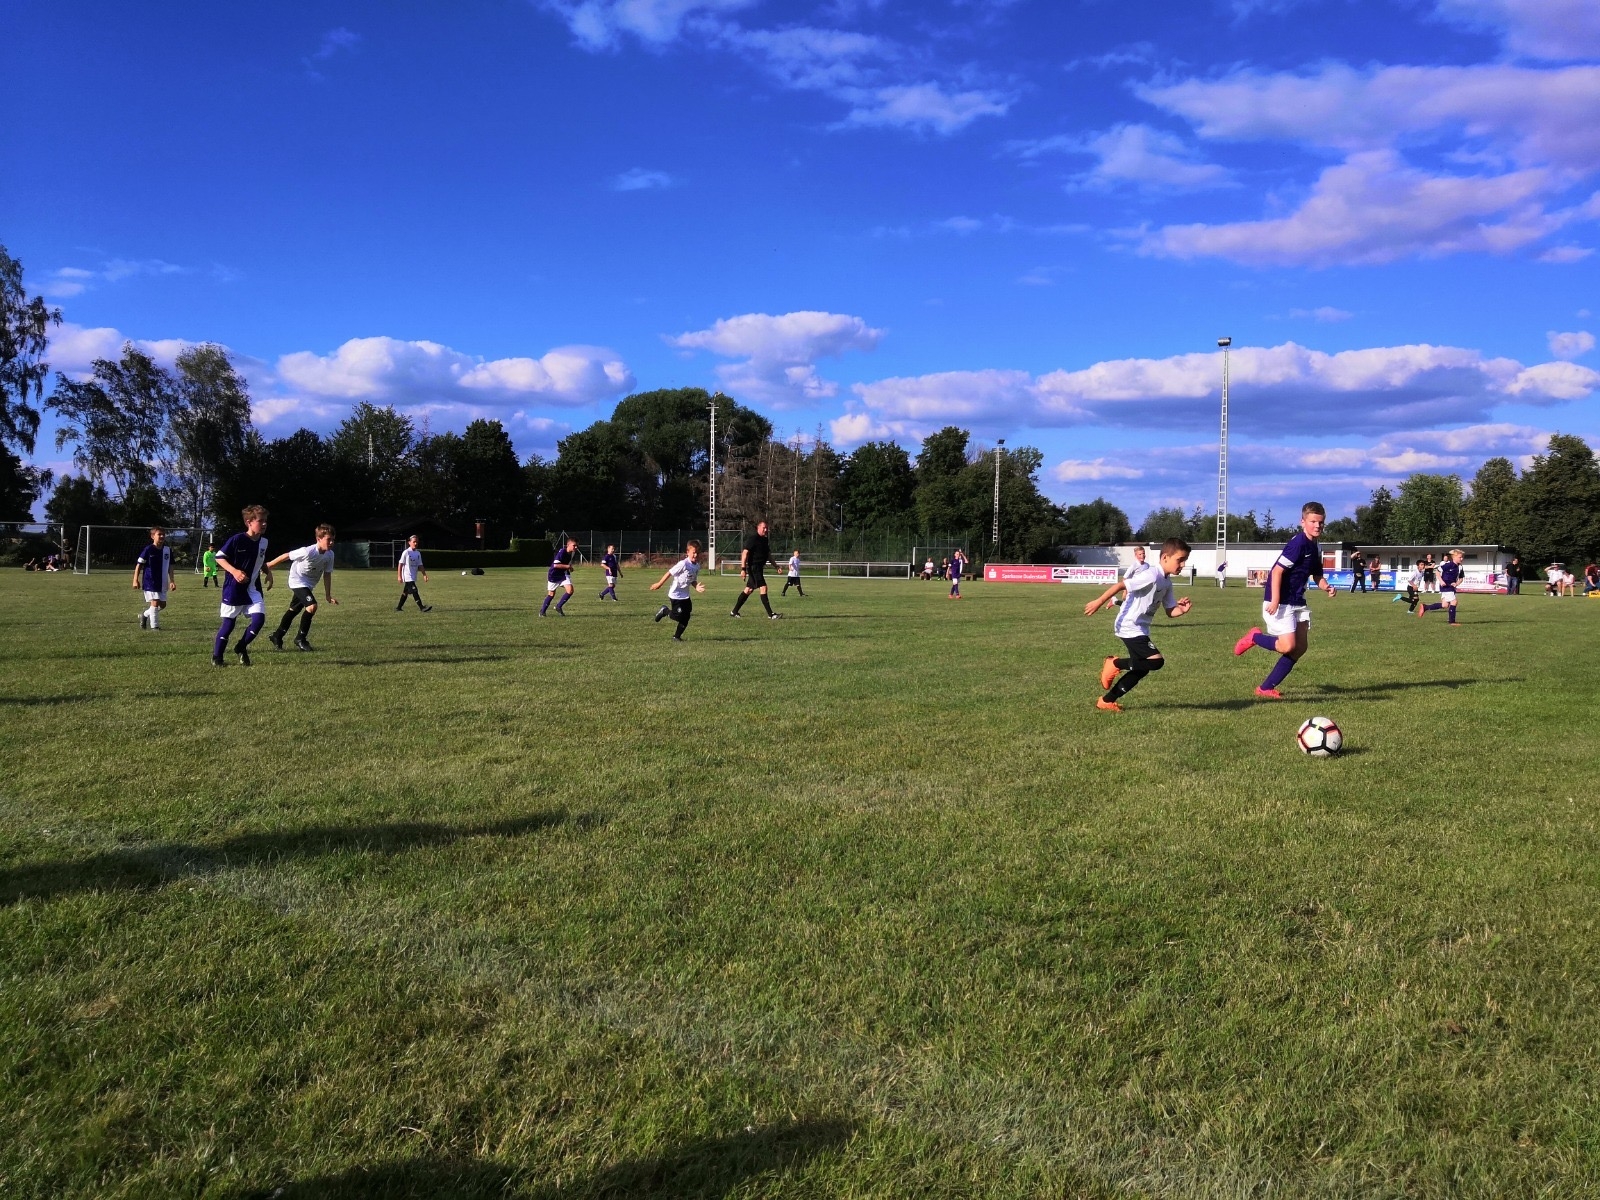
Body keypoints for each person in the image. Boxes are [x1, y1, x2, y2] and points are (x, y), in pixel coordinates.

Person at [1231, 502, 1336, 699]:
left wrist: (1326, 586)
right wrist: (1275, 600)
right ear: (1303, 522)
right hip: (1281, 601)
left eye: (1321, 522)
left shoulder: (1316, 546)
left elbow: (1317, 575)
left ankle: (1265, 688)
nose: (1317, 526)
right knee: (1287, 646)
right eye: (1313, 521)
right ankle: (1254, 637)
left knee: (1300, 647)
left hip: (1298, 600)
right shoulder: (1298, 544)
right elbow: (1277, 571)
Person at [1084, 537, 1193, 711]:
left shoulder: (1166, 582)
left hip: (1140, 628)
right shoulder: (1151, 575)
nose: (1183, 564)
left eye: (1184, 560)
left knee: (1141, 668)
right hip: (1129, 625)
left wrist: (1181, 610)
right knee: (1156, 662)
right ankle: (1114, 663)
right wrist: (1099, 601)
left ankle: (1106, 701)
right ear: (1165, 557)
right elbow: (1121, 585)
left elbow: (1170, 611)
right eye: (1180, 560)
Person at [213, 505, 271, 667]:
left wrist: (268, 572)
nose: (264, 524)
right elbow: (219, 557)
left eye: (265, 521)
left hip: (253, 589)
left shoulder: (264, 542)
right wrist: (235, 571)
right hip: (234, 589)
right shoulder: (237, 539)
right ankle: (217, 657)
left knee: (259, 620)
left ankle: (241, 646)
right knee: (229, 624)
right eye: (260, 521)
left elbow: (260, 559)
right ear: (249, 522)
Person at [265, 524, 338, 651]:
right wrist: (268, 566)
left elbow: (327, 574)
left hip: (309, 584)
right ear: (319, 539)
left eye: (333, 540)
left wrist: (328, 595)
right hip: (297, 580)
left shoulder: (330, 555)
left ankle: (277, 635)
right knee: (312, 606)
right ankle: (301, 639)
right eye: (328, 539)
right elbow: (286, 555)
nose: (331, 542)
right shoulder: (308, 551)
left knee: (294, 609)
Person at [651, 540, 706, 640]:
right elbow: (669, 573)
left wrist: (696, 586)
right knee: (678, 616)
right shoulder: (683, 564)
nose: (696, 555)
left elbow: (692, 580)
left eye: (698, 553)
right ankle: (665, 611)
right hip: (675, 594)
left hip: (685, 595)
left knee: (687, 616)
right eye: (693, 552)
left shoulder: (697, 566)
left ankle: (676, 637)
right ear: (687, 552)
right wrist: (659, 584)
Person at [731, 520, 781, 619]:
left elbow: (768, 555)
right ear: (758, 528)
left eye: (766, 528)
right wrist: (743, 569)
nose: (765, 530)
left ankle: (734, 611)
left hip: (759, 568)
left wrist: (776, 566)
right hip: (754, 568)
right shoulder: (753, 539)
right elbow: (744, 553)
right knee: (763, 587)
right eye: (764, 528)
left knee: (748, 590)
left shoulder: (765, 540)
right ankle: (771, 614)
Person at [132, 525, 176, 630]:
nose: (162, 536)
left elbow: (170, 566)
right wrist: (135, 580)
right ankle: (155, 627)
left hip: (162, 582)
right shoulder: (148, 549)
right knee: (155, 602)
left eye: (163, 534)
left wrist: (172, 581)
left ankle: (145, 615)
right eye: (159, 534)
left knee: (163, 605)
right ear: (153, 536)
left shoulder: (167, 550)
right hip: (150, 581)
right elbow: (139, 565)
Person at [1417, 548, 1464, 625]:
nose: (1461, 559)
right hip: (1446, 586)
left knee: (1444, 605)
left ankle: (1425, 607)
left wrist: (1456, 584)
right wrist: (1441, 581)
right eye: (1460, 557)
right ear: (1454, 557)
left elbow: (1461, 578)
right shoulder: (1448, 565)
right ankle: (1452, 622)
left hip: (1451, 587)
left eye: (1462, 557)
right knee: (1454, 602)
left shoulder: (1460, 567)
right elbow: (1437, 571)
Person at [541, 537, 578, 616]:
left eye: (577, 546)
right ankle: (542, 612)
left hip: (563, 574)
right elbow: (556, 565)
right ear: (568, 545)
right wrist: (568, 566)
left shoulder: (572, 553)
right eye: (574, 545)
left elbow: (566, 563)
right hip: (553, 575)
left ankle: (558, 606)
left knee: (570, 590)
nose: (576, 547)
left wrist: (569, 568)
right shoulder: (562, 552)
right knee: (551, 594)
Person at [396, 535, 431, 612]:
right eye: (414, 542)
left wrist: (424, 575)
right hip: (407, 576)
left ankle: (398, 608)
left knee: (405, 592)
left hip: (413, 576)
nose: (416, 543)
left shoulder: (418, 553)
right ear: (409, 542)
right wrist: (399, 576)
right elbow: (400, 564)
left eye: (417, 542)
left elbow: (420, 565)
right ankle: (422, 607)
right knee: (414, 590)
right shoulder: (406, 552)